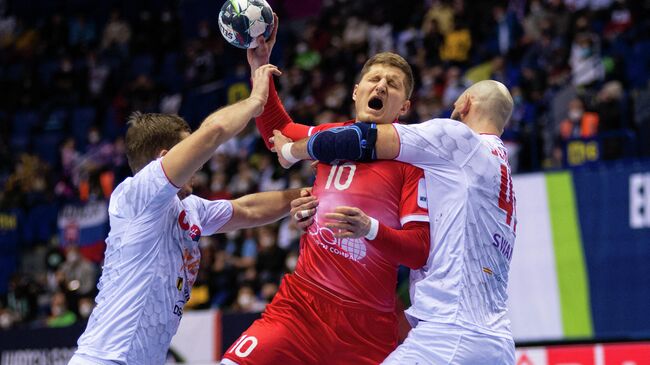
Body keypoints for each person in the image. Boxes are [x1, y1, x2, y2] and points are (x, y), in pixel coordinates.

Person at [221, 18, 430, 365]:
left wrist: (370, 229)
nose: (380, 87)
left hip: (366, 326)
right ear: (355, 90)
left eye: (392, 85)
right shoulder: (333, 135)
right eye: (373, 79)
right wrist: (259, 66)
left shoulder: (413, 162)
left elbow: (419, 252)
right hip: (302, 304)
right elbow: (278, 132)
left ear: (404, 107)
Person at [68, 64, 305, 365]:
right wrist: (257, 99)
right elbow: (214, 132)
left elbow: (248, 208)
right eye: (188, 150)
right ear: (166, 158)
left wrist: (315, 194)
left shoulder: (188, 208)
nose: (200, 163)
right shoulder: (135, 196)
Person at [273, 80, 517, 364]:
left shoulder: (458, 138)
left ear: (465, 104)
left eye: (455, 104)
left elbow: (362, 139)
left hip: (450, 334)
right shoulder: (502, 173)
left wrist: (291, 153)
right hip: (497, 342)